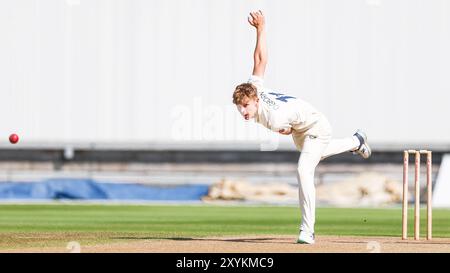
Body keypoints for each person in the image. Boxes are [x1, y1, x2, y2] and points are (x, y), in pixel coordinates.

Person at [232, 10, 371, 244]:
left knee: (304, 170)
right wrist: (261, 29)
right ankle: (356, 141)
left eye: (246, 106)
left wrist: (283, 130)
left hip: (316, 126)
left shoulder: (274, 117)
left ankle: (308, 230)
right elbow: (260, 60)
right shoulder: (255, 87)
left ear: (255, 99)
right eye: (240, 108)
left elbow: (282, 129)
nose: (243, 111)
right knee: (318, 154)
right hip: (300, 132)